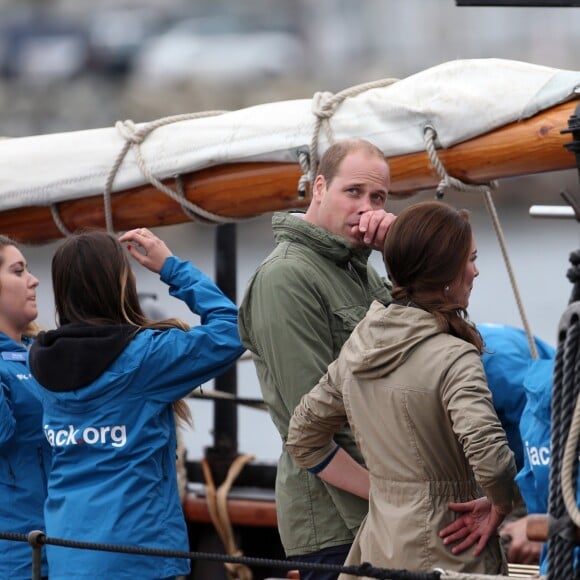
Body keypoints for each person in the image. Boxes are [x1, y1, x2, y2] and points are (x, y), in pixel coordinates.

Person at [286, 200, 517, 577]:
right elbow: (490, 459)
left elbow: (302, 437)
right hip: (451, 550)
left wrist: (383, 491)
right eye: (469, 260)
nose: (475, 271)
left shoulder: (360, 346)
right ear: (445, 273)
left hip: (378, 548)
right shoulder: (455, 357)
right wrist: (500, 503)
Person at [26, 228, 245, 580]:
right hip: (138, 555)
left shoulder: (39, 361)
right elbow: (233, 330)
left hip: (69, 553)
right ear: (120, 283)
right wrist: (171, 267)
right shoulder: (146, 357)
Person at [238, 138, 396, 578]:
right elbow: (307, 426)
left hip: (382, 513)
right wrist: (393, 496)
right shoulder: (286, 278)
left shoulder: (360, 269)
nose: (367, 209)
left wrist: (403, 256)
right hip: (337, 525)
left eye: (378, 197)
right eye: (354, 192)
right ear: (320, 188)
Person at [0, 235, 50, 580]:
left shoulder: (44, 353)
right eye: (18, 271)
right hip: (15, 555)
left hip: (65, 544)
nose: (32, 280)